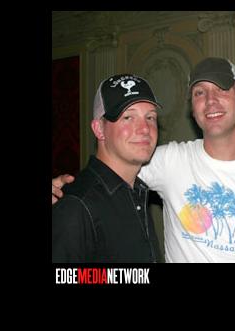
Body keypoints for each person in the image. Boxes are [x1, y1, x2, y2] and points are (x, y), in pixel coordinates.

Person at [54, 57, 235, 263]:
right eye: (199, 92)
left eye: (221, 89)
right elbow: (108, 172)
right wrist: (62, 188)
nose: (210, 100)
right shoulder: (168, 160)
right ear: (192, 108)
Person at [52, 74, 164, 263]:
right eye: (128, 117)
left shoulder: (137, 191)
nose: (145, 129)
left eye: (150, 117)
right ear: (99, 129)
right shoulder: (76, 205)